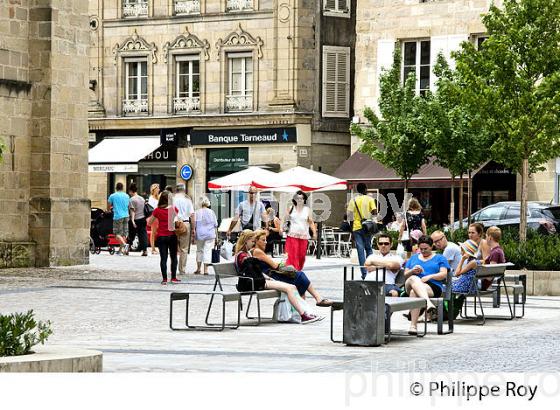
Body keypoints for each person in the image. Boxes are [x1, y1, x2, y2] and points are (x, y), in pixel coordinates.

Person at [234, 230, 322, 324]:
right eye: (252, 241)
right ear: (246, 241)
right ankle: (303, 315)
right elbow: (250, 272)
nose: (253, 243)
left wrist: (267, 278)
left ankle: (305, 312)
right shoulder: (242, 255)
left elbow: (256, 271)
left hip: (260, 280)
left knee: (293, 287)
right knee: (289, 288)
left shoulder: (246, 254)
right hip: (254, 283)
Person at [251, 229, 332, 307]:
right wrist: (285, 260)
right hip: (271, 277)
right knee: (299, 276)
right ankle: (313, 302)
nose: (266, 242)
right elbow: (275, 266)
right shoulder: (257, 251)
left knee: (299, 280)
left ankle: (306, 308)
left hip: (270, 275)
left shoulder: (255, 251)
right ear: (256, 241)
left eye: (266, 240)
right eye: (263, 240)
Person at [403, 235, 450, 335]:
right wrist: (412, 270)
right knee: (413, 278)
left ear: (431, 246)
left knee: (414, 292)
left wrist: (430, 277)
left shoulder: (439, 258)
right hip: (410, 283)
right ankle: (428, 303)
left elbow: (443, 274)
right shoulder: (414, 258)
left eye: (426, 249)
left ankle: (413, 326)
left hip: (432, 286)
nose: (423, 251)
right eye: (421, 249)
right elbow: (405, 275)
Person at [147, 191, 179, 284]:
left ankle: (164, 279)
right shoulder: (174, 209)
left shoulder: (157, 210)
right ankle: (173, 277)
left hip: (161, 236)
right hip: (172, 235)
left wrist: (158, 219)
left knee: (163, 258)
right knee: (173, 257)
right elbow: (175, 221)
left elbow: (149, 222)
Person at [347, 183, 377, 278]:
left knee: (360, 250)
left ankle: (364, 273)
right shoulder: (370, 199)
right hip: (367, 227)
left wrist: (351, 230)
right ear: (365, 189)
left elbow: (350, 216)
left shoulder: (353, 200)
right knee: (368, 248)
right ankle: (371, 271)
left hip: (356, 227)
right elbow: (374, 212)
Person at [284, 191, 317, 271]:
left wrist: (314, 233)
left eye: (301, 198)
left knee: (301, 256)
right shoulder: (291, 208)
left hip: (303, 236)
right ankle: (293, 271)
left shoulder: (307, 210)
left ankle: (298, 269)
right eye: (298, 198)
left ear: (304, 200)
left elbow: (311, 222)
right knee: (292, 255)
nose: (299, 200)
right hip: (292, 235)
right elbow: (284, 219)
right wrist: (282, 228)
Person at [173, 183, 195, 275]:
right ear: (184, 189)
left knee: (173, 248)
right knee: (184, 249)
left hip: (174, 224)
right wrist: (193, 228)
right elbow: (192, 215)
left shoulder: (172, 199)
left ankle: (173, 268)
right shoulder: (187, 200)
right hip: (185, 224)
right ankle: (182, 269)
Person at [194, 196, 218, 275]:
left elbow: (195, 224)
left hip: (200, 234)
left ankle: (198, 269)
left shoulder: (197, 212)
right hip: (210, 234)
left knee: (199, 250)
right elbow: (215, 225)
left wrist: (193, 234)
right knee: (207, 251)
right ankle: (206, 270)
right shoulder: (211, 212)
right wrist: (217, 237)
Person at [107, 182, 130, 255]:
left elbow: (109, 206)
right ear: (122, 188)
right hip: (126, 216)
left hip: (118, 216)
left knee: (117, 234)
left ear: (116, 188)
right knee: (123, 234)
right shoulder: (127, 196)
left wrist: (109, 210)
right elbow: (128, 206)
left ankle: (125, 245)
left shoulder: (113, 196)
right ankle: (120, 251)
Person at [481, 226, 506, 290]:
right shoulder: (499, 250)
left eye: (486, 236)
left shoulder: (495, 253)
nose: (485, 239)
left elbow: (490, 275)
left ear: (490, 237)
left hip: (483, 284)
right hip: (486, 282)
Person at [128, 183, 148, 256]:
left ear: (130, 191)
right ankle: (145, 250)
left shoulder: (132, 199)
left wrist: (132, 221)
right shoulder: (142, 198)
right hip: (143, 219)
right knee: (143, 235)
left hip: (136, 219)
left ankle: (127, 248)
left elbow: (132, 211)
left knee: (131, 234)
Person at [148, 183, 160, 255]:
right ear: (154, 189)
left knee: (156, 233)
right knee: (153, 232)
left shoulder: (158, 197)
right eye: (157, 188)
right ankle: (153, 248)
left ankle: (155, 247)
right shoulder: (151, 198)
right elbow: (152, 208)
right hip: (154, 216)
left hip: (159, 216)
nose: (158, 189)